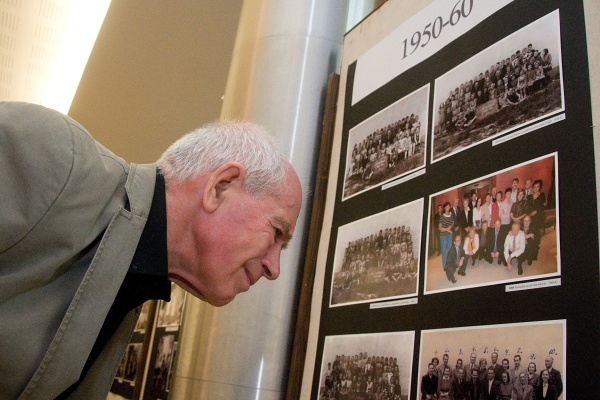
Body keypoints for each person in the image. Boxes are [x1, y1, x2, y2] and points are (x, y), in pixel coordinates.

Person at [0, 103, 303, 399]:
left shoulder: (130, 288)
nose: (274, 268)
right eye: (277, 232)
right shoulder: (56, 154)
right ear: (220, 187)